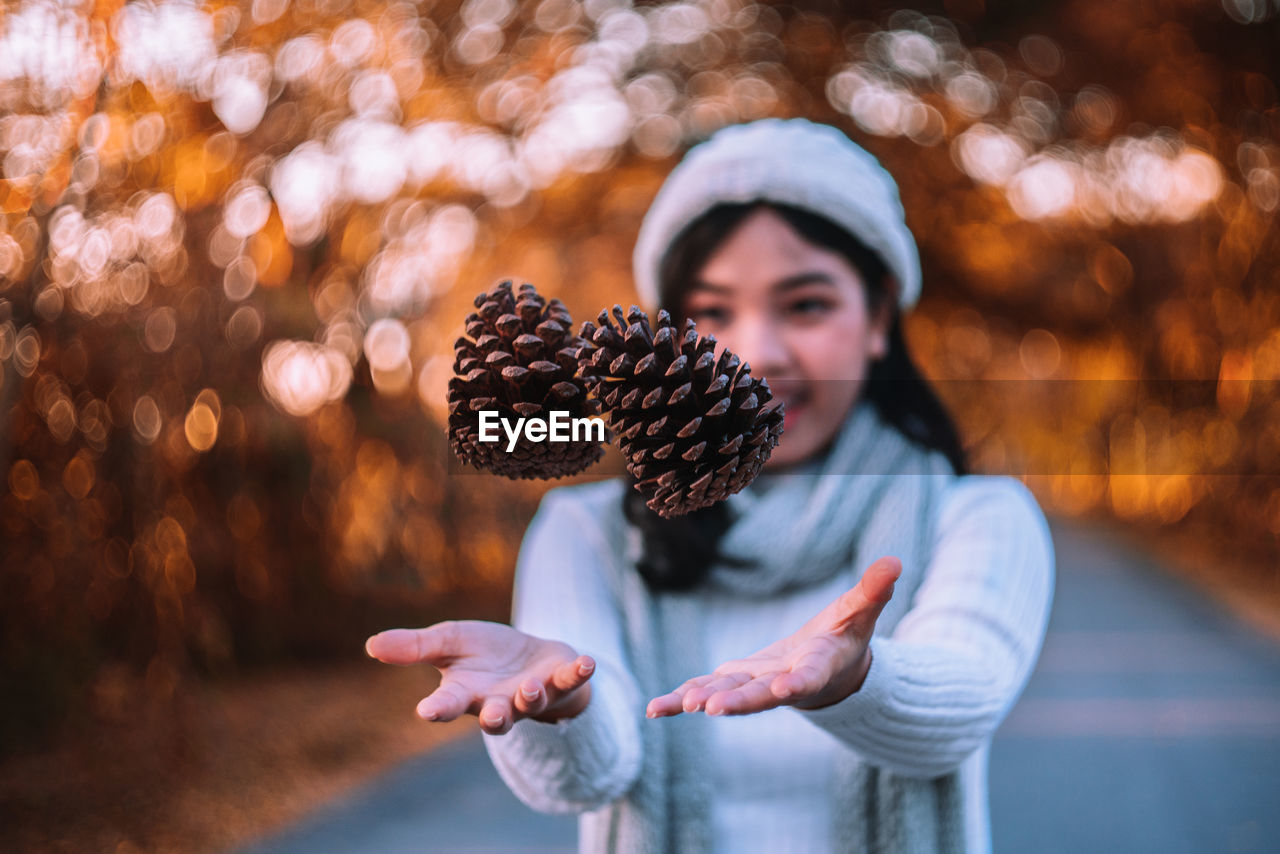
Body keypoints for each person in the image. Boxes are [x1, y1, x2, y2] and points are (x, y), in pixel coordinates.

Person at [365, 118, 1055, 854]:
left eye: (806, 304)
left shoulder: (978, 518)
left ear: (879, 316)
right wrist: (562, 707)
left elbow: (958, 703)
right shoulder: (587, 531)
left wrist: (860, 677)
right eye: (713, 313)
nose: (759, 352)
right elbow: (587, 775)